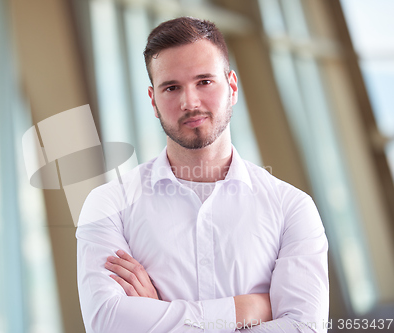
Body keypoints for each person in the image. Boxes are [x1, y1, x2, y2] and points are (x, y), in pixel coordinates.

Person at [76, 17, 329, 333]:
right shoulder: (109, 204)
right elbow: (108, 324)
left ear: (232, 87)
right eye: (171, 87)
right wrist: (247, 308)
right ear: (153, 101)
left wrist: (159, 315)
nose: (190, 102)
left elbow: (305, 328)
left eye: (204, 82)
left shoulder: (291, 207)